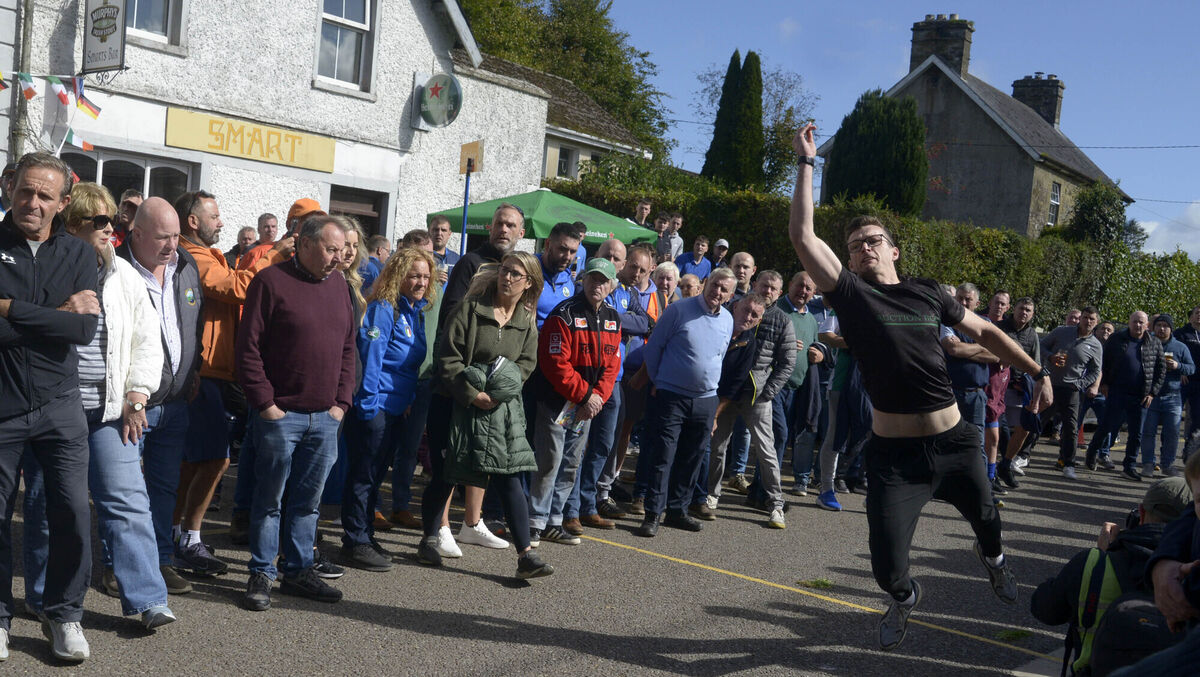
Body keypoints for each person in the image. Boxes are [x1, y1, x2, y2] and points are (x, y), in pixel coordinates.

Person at [787, 123, 1050, 651]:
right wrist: (807, 163)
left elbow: (989, 332)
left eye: (873, 240)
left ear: (895, 250)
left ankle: (994, 562)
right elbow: (802, 236)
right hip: (895, 457)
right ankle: (904, 599)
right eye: (855, 245)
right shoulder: (851, 296)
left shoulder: (930, 294)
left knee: (990, 524)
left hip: (955, 443)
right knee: (886, 563)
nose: (864, 248)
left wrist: (1038, 373)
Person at [22, 182, 174, 631]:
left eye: (114, 220)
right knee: (47, 506)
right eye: (101, 222)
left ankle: (148, 600)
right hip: (52, 408)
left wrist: (138, 395)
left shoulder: (124, 275)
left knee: (127, 500)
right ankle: (42, 598)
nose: (113, 229)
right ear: (71, 227)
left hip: (110, 413)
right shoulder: (46, 270)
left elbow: (149, 342)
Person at [0, 152, 99, 661]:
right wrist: (55, 314)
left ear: (62, 204)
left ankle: (64, 615)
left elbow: (82, 329)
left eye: (44, 196)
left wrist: (13, 308)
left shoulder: (80, 255)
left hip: (61, 407)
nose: (32, 203)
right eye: (25, 191)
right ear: (8, 187)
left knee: (72, 515)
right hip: (2, 406)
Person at [236, 215, 355, 611]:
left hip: (325, 418)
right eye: (331, 249)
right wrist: (266, 405)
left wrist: (341, 404)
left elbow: (347, 351)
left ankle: (299, 569)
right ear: (304, 243)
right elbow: (247, 349)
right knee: (269, 499)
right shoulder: (270, 283)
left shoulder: (339, 286)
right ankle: (261, 572)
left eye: (343, 251)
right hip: (280, 415)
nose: (339, 258)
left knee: (308, 501)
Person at [177, 190, 293, 576]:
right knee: (211, 459)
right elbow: (236, 287)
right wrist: (274, 256)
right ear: (193, 222)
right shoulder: (192, 255)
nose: (221, 222)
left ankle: (178, 534)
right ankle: (185, 537)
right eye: (214, 216)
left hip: (216, 370)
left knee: (199, 460)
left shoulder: (205, 255)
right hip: (204, 370)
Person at [417, 251, 554, 579]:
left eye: (516, 274)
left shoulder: (525, 319)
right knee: (447, 474)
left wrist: (497, 393)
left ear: (529, 282)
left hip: (499, 411)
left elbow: (525, 365)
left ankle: (526, 556)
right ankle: (429, 538)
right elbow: (447, 358)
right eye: (505, 271)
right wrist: (472, 393)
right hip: (452, 405)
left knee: (508, 476)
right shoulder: (470, 309)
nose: (507, 278)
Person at [116, 197, 204, 597]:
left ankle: (161, 560)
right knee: (123, 493)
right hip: (130, 404)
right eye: (162, 238)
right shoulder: (112, 269)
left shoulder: (185, 267)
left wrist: (196, 368)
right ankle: (114, 566)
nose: (172, 246)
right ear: (136, 233)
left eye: (176, 236)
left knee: (165, 487)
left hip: (175, 402)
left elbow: (193, 322)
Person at [1031, 477, 1193, 676]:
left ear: (1141, 513)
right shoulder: (1193, 573)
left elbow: (1045, 609)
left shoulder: (1094, 564)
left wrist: (1101, 556)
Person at [341, 247, 436, 571]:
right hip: (374, 406)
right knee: (364, 476)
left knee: (377, 475)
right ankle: (355, 540)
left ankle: (365, 533)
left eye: (425, 276)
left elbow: (408, 366)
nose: (422, 281)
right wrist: (367, 409)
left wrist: (407, 401)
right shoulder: (384, 308)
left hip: (397, 409)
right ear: (399, 275)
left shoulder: (414, 311)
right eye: (415, 275)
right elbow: (371, 360)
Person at [635, 268, 736, 537]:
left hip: (705, 399)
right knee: (663, 456)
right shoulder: (679, 310)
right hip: (671, 396)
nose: (717, 292)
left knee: (692, 458)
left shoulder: (727, 319)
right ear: (705, 283)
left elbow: (719, 356)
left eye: (724, 289)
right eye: (714, 285)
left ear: (731, 294)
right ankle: (653, 513)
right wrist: (657, 381)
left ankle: (678, 510)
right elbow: (654, 347)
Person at [528, 258, 622, 544]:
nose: (597, 285)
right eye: (592, 279)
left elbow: (612, 364)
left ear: (611, 285)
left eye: (603, 280)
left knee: (570, 464)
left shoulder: (613, 317)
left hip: (585, 408)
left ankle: (555, 521)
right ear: (582, 280)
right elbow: (556, 363)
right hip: (558, 402)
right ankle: (535, 523)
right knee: (549, 462)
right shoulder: (563, 314)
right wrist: (586, 396)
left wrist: (596, 399)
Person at [1084, 311, 1166, 481]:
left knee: (1136, 434)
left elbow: (1161, 370)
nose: (1138, 325)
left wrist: (1152, 392)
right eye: (1135, 322)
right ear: (1129, 322)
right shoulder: (1116, 339)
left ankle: (1129, 466)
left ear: (1147, 325)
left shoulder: (1154, 343)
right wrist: (1104, 383)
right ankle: (1092, 452)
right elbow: (1104, 362)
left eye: (1141, 322)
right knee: (1106, 426)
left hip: (1141, 395)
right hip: (1117, 392)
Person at [1038, 306, 1103, 479]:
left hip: (1072, 389)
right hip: (1050, 384)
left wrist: (1081, 384)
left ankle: (1069, 464)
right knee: (1038, 421)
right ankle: (1023, 455)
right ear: (1080, 318)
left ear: (1096, 323)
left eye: (1092, 319)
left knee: (1071, 428)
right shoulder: (1062, 332)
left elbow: (1096, 371)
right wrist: (1051, 357)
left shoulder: (1095, 345)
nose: (1088, 321)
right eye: (1086, 317)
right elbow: (1041, 346)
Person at [775, 271, 824, 496]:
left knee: (800, 435)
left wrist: (820, 355)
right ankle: (768, 484)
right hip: (776, 386)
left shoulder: (812, 319)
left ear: (814, 293)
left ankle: (794, 482)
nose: (803, 291)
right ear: (790, 284)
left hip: (801, 388)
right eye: (800, 285)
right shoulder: (776, 311)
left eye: (808, 288)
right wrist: (782, 344)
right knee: (778, 436)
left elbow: (817, 346)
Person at [1141, 314, 1194, 477]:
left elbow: (1191, 368)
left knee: (1172, 432)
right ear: (1153, 327)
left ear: (1171, 329)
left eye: (1165, 325)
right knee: (1148, 432)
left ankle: (1168, 465)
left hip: (1173, 396)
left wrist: (1178, 365)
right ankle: (1148, 464)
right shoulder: (1146, 344)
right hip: (1151, 396)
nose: (1162, 328)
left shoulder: (1180, 347)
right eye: (1159, 325)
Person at [238, 199, 320, 271]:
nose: (314, 228)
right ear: (290, 225)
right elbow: (242, 286)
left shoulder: (321, 257)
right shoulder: (259, 253)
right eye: (308, 222)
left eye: (319, 223)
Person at [428, 214, 460, 286]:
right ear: (429, 232)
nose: (439, 233)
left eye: (443, 230)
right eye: (436, 229)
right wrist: (432, 278)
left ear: (449, 234)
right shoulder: (422, 256)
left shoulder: (457, 259)